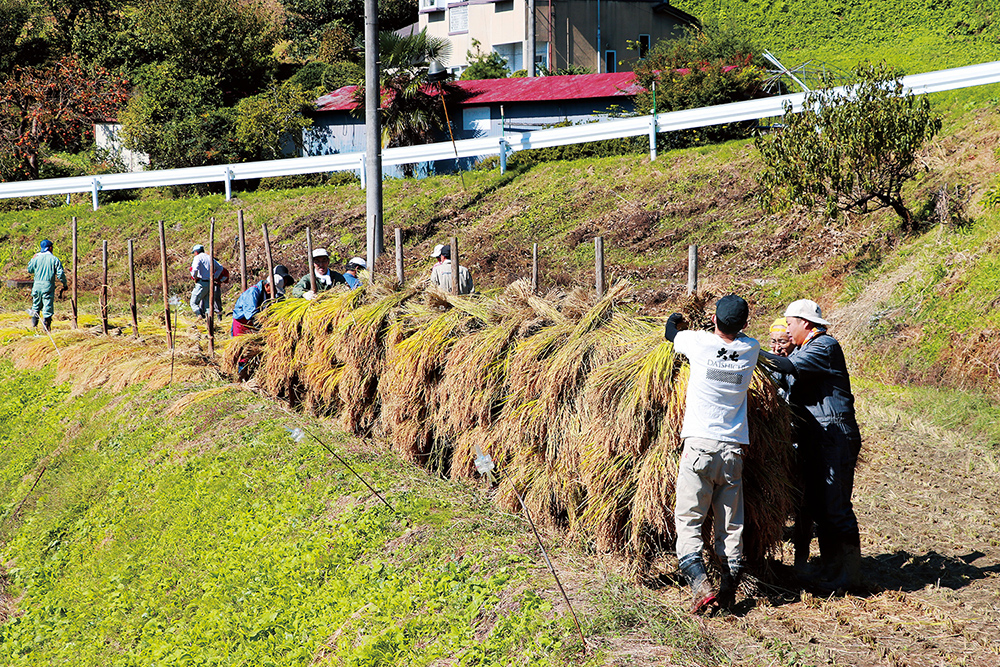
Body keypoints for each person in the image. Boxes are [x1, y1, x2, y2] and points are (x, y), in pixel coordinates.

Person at [664, 295, 760, 613]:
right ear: (745, 324)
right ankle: (729, 591)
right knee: (731, 526)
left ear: (715, 320)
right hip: (733, 451)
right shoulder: (751, 349)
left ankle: (699, 584)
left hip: (699, 448)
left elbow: (670, 334)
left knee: (690, 521)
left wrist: (678, 321)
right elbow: (739, 335)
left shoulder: (699, 343)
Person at [761, 299, 863, 593]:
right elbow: (779, 374)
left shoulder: (824, 346)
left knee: (836, 506)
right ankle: (831, 567)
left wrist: (748, 351)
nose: (788, 329)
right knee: (820, 506)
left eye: (790, 323)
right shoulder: (807, 348)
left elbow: (786, 365)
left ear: (805, 322)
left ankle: (850, 576)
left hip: (834, 435)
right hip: (818, 435)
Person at [26, 239, 67, 331]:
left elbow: (29, 270)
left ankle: (34, 327)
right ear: (50, 248)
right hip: (47, 286)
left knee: (35, 305)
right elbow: (60, 274)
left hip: (36, 286)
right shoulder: (54, 259)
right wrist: (64, 284)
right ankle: (47, 328)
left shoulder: (36, 258)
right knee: (47, 306)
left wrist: (32, 259)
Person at [189, 244, 229, 317]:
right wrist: (214, 277)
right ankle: (209, 321)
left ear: (196, 252)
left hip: (202, 283)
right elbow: (220, 267)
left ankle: (199, 315)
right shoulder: (209, 257)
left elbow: (194, 270)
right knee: (208, 305)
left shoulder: (197, 258)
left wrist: (195, 277)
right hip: (210, 283)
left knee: (193, 303)